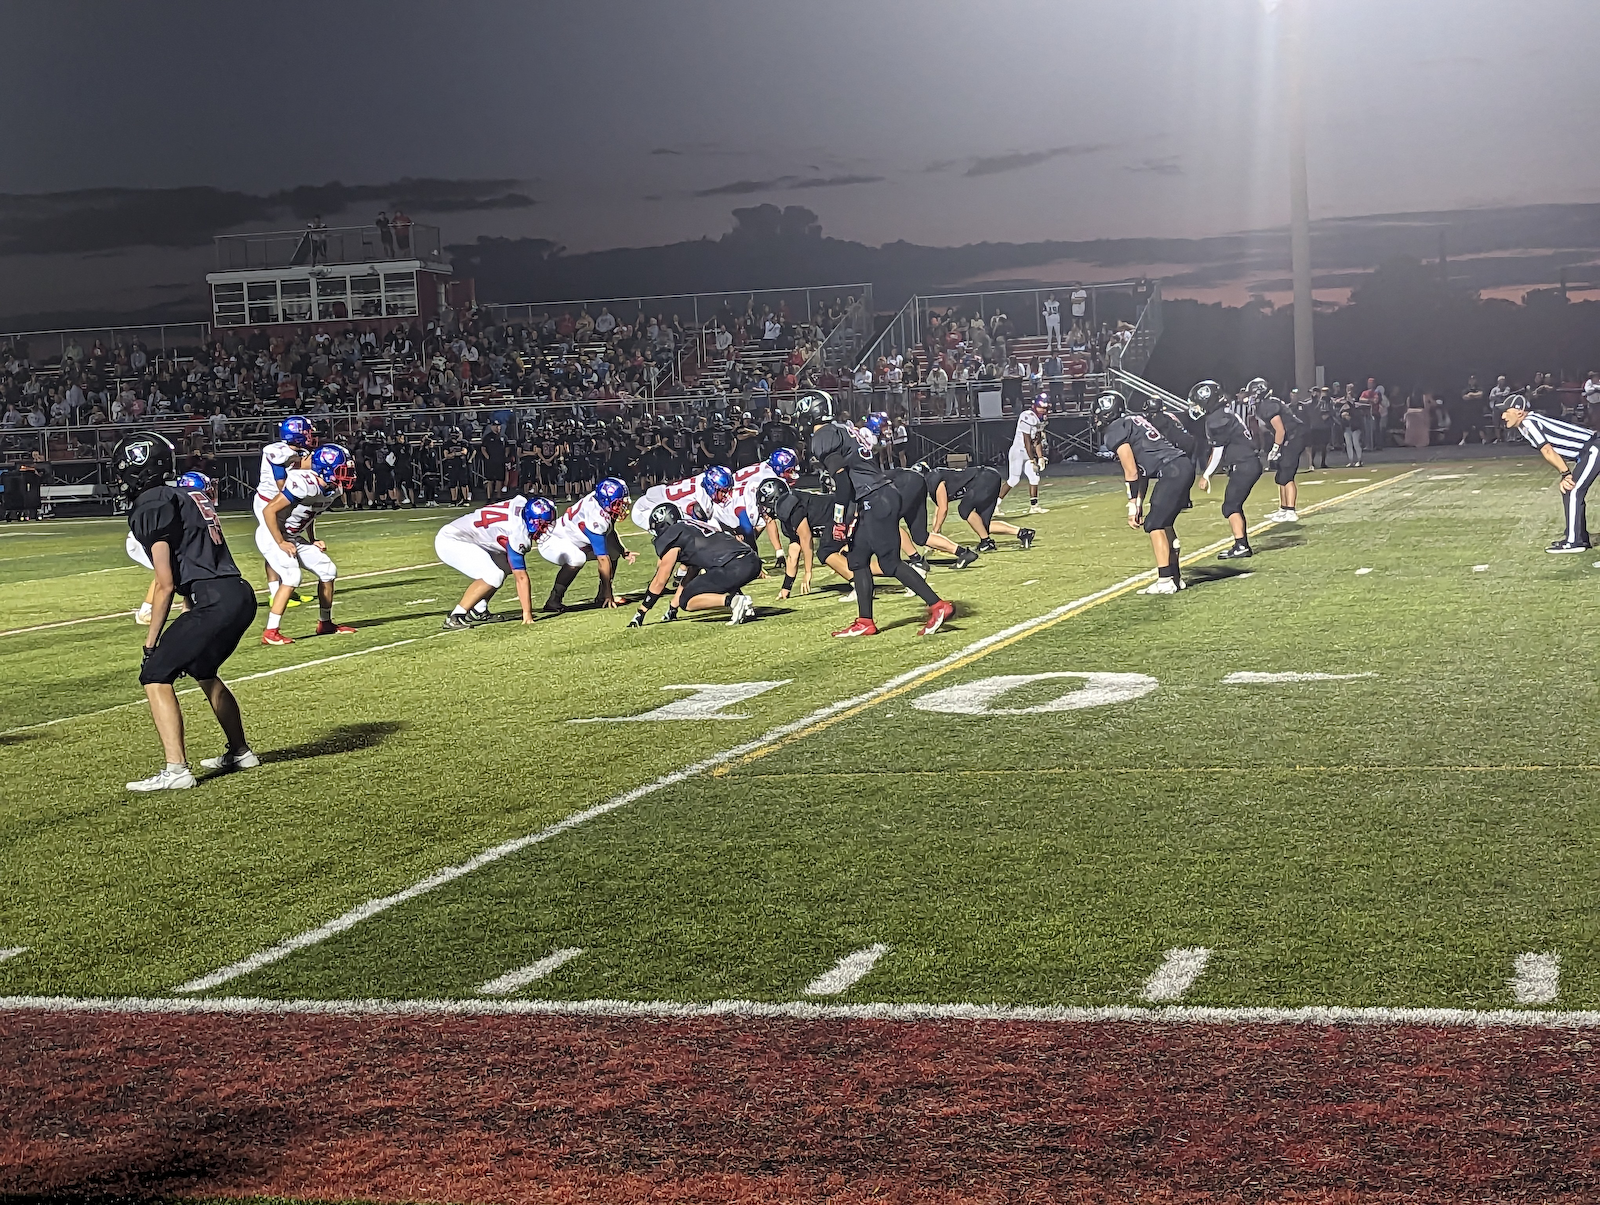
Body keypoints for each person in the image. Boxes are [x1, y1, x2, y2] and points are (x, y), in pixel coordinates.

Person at [114, 432, 257, 791]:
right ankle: (240, 752)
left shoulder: (152, 502)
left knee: (154, 674)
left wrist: (151, 643)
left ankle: (176, 770)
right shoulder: (188, 494)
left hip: (213, 600)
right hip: (239, 593)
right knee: (203, 669)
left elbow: (164, 583)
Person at [798, 390, 953, 637]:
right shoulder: (843, 429)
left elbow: (843, 484)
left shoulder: (823, 436)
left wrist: (839, 519)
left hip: (874, 498)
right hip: (876, 495)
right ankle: (865, 621)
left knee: (889, 562)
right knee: (858, 560)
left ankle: (937, 605)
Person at [255, 444, 358, 646]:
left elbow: (311, 514)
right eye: (342, 470)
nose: (347, 475)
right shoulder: (303, 483)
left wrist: (312, 538)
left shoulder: (333, 489)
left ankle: (325, 623)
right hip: (272, 533)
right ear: (325, 468)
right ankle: (270, 632)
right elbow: (269, 511)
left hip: (292, 535)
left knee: (328, 570)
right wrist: (281, 541)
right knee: (292, 576)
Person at [1095, 390, 1195, 594]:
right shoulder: (1132, 421)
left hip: (1172, 470)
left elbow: (1131, 471)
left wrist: (1132, 504)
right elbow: (1142, 473)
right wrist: (1139, 501)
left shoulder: (1115, 430)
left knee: (1154, 524)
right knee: (1164, 523)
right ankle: (1175, 578)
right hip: (1181, 466)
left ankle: (1165, 580)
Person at [1495, 392, 1599, 553]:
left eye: (1506, 411)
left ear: (1519, 412)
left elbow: (1547, 450)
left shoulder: (1528, 423)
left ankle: (1575, 541)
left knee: (1572, 490)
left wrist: (1566, 474)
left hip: (1593, 449)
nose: (1503, 416)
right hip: (1588, 450)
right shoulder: (1529, 422)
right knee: (1570, 491)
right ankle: (1578, 537)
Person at [627, 502, 760, 627]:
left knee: (687, 601)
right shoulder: (691, 527)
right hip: (751, 561)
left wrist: (641, 611)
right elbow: (691, 574)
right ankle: (742, 604)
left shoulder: (673, 535)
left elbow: (660, 580)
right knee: (699, 585)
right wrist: (673, 607)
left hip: (734, 566)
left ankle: (735, 601)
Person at [436, 495, 556, 629]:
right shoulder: (517, 531)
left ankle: (479, 610)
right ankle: (456, 616)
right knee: (493, 575)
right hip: (452, 540)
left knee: (505, 565)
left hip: (467, 537)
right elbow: (521, 577)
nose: (545, 529)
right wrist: (527, 614)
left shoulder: (521, 506)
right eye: (543, 525)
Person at [1189, 380, 1263, 560]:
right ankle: (1241, 544)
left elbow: (1218, 451)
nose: (1196, 407)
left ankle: (1241, 546)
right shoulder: (1223, 413)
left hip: (1244, 465)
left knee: (1231, 506)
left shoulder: (1218, 419)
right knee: (1232, 505)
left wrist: (1207, 475)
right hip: (1247, 463)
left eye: (1198, 403)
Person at [539, 476, 637, 611]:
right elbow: (602, 559)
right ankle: (554, 600)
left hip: (573, 540)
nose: (622, 506)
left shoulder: (601, 504)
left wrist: (622, 550)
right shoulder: (595, 517)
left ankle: (601, 596)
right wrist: (609, 594)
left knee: (613, 552)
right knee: (577, 558)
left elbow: (609, 531)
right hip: (554, 541)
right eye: (618, 503)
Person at [131, 471, 211, 623]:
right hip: (144, 539)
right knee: (168, 572)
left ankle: (188, 608)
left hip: (153, 536)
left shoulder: (177, 498)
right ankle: (146, 610)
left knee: (182, 570)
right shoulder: (180, 502)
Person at [921, 461, 1034, 553]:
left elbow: (943, 509)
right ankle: (1023, 533)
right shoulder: (933, 479)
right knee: (982, 525)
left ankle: (986, 542)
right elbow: (938, 509)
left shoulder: (933, 479)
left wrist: (935, 533)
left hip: (985, 478)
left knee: (964, 509)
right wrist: (935, 534)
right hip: (989, 477)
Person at [891, 466, 979, 570]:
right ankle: (963, 553)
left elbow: (943, 508)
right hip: (912, 484)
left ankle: (916, 560)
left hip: (903, 484)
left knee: (889, 524)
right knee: (920, 537)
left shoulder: (935, 479)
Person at [1250, 379, 1305, 523]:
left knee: (1287, 474)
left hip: (1294, 437)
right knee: (1281, 474)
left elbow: (1280, 430)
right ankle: (1283, 509)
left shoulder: (1269, 405)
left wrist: (1276, 448)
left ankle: (1291, 511)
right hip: (1289, 437)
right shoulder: (1267, 403)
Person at [999, 394, 1050, 515]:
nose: (1042, 410)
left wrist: (1040, 457)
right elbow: (1026, 440)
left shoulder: (1041, 419)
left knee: (1034, 478)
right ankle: (994, 505)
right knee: (1013, 480)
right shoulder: (1027, 416)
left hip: (1028, 452)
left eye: (1044, 408)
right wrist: (1032, 460)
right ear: (1034, 406)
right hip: (1018, 451)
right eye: (1040, 407)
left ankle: (1034, 506)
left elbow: (1037, 440)